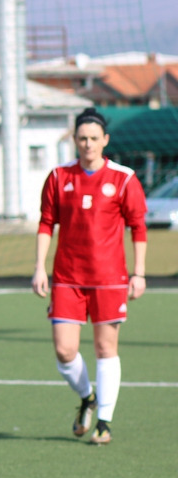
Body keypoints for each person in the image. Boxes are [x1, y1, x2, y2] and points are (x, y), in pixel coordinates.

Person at [33, 107, 148, 445]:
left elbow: (138, 227)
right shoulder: (58, 177)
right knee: (64, 350)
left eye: (94, 138)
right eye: (82, 138)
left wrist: (139, 273)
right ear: (74, 140)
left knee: (104, 347)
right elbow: (46, 223)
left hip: (109, 278)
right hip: (67, 277)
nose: (88, 144)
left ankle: (104, 423)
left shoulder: (124, 178)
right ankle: (87, 397)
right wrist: (39, 267)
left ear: (105, 140)